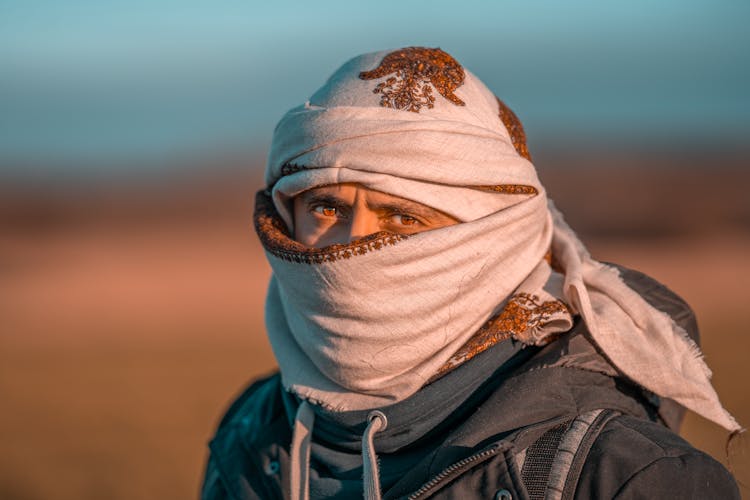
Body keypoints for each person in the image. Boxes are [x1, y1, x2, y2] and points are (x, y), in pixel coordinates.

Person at [201, 47, 741, 499]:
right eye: (325, 207)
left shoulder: (623, 476)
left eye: (403, 215)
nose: (354, 244)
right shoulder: (251, 430)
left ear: (494, 235)